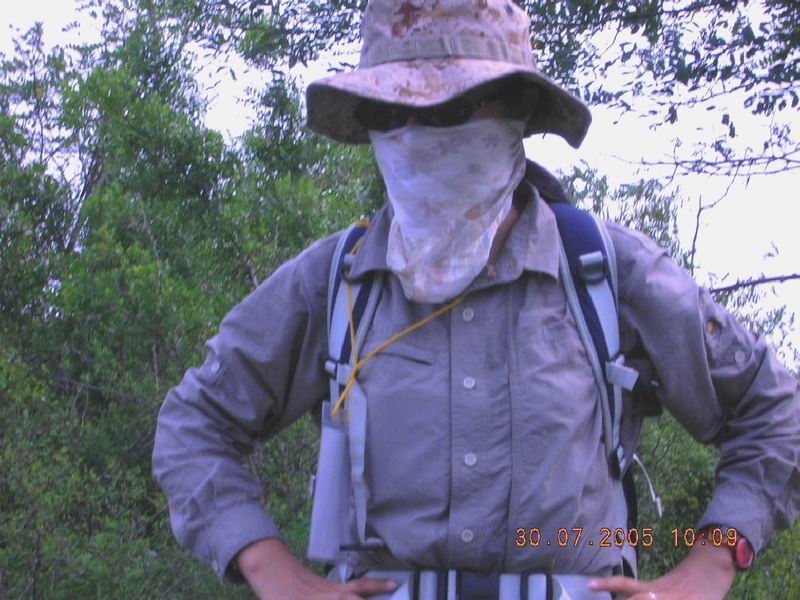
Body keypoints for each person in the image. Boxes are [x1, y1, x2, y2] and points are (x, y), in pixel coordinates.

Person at [152, 1, 800, 599]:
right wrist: (275, 571)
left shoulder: (605, 270)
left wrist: (709, 567)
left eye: (446, 109)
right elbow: (194, 426)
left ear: (515, 110)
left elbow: (775, 411)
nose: (413, 135)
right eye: (388, 115)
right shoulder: (337, 280)